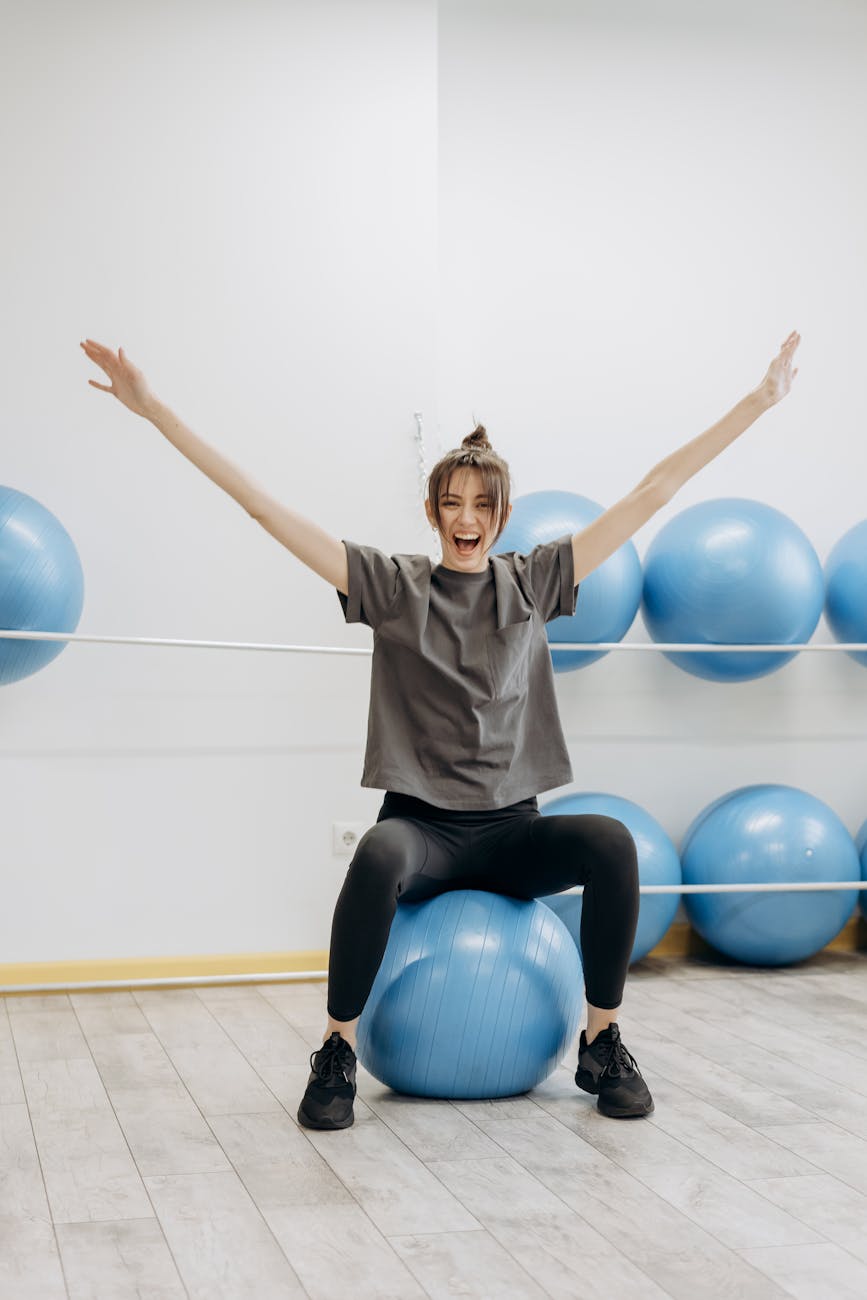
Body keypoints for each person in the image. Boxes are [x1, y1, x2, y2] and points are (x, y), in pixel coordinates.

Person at [81, 330, 801, 1130]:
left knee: (608, 842)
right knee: (377, 851)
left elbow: (651, 493)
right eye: (451, 503)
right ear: (432, 512)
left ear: (501, 515)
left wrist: (755, 402)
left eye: (481, 505)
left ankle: (600, 1040)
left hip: (509, 831)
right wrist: (153, 411)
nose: (466, 518)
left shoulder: (533, 582)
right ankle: (336, 1052)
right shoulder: (392, 587)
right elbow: (260, 506)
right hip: (422, 830)